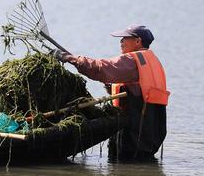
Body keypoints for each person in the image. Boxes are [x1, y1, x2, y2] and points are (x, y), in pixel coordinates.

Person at [54, 25, 169, 160]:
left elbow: (100, 68)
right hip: (150, 139)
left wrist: (71, 59)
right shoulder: (153, 61)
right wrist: (110, 87)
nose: (121, 42)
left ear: (138, 41)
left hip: (132, 139)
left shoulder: (132, 60)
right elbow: (139, 91)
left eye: (124, 38)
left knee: (122, 171)